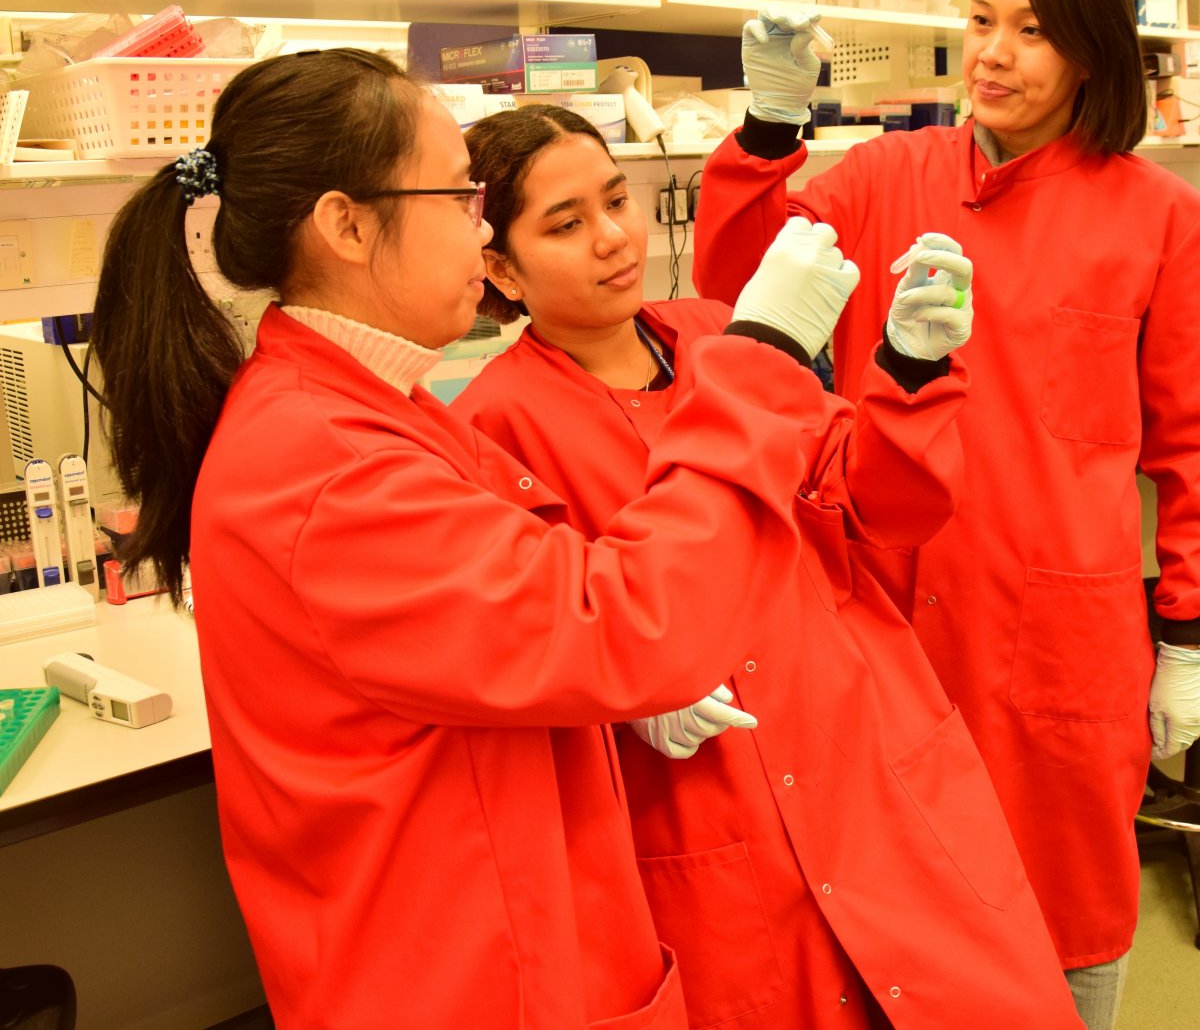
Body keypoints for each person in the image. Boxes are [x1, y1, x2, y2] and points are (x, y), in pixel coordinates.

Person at [89, 48, 869, 1030]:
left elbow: (514, 612)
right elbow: (627, 620)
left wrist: (608, 707)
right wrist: (760, 363)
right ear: (346, 223)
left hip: (520, 936)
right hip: (466, 976)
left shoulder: (377, 408)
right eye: (461, 197)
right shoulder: (322, 462)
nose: (478, 230)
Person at [453, 103, 1085, 1029]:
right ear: (499, 268)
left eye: (617, 200)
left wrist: (907, 370)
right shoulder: (491, 425)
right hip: (706, 795)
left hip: (859, 735)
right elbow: (528, 643)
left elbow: (883, 510)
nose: (615, 238)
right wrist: (623, 696)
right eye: (566, 223)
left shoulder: (723, 333)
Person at [691, 0, 1200, 1030]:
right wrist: (772, 124)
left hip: (1060, 639)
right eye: (979, 23)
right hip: (892, 620)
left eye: (1032, 30)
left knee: (1065, 915)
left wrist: (1187, 638)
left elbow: (1192, 442)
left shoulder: (1158, 215)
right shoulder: (887, 177)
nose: (993, 54)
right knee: (889, 914)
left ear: (1094, 52)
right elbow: (736, 292)